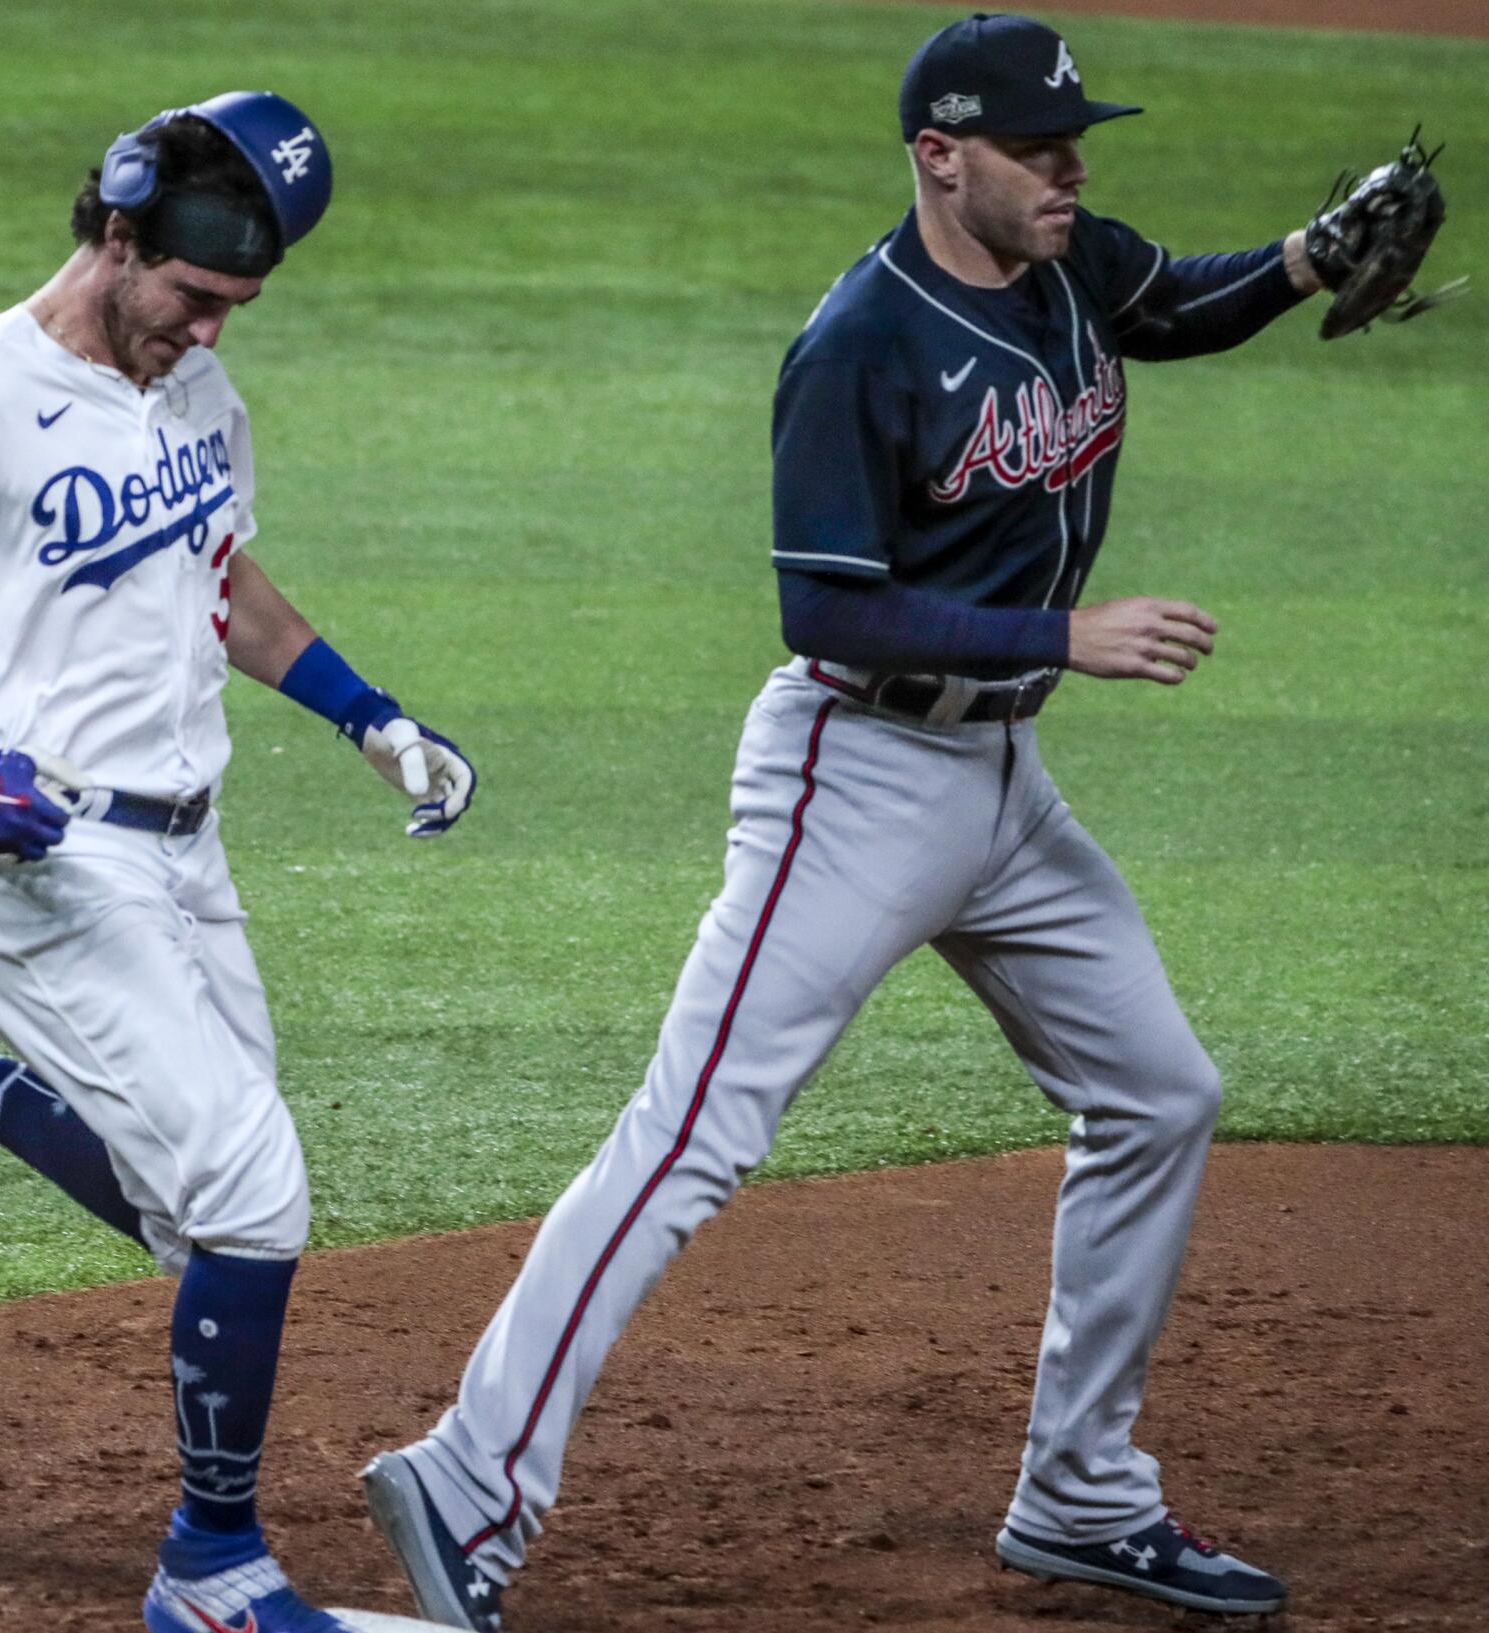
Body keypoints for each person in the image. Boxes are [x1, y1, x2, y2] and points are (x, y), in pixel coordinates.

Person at [358, 13, 1400, 1624]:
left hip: (1004, 790)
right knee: (692, 1134)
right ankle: (466, 1474)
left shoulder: (1065, 263)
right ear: (939, 157)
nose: (1070, 170)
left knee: (1161, 1091)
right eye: (1039, 147)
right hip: (854, 778)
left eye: (1078, 143)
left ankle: (1080, 1492)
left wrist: (1304, 259)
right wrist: (1070, 632)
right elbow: (830, 616)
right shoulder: (859, 343)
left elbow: (1174, 303)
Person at [0, 93, 474, 1633]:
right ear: (117, 234)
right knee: (257, 1197)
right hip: (38, 866)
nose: (208, 334)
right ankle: (212, 1566)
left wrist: (371, 716)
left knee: (191, 1219)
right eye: (193, 299)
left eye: (237, 309)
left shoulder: (192, 385)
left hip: (188, 858)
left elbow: (220, 572)